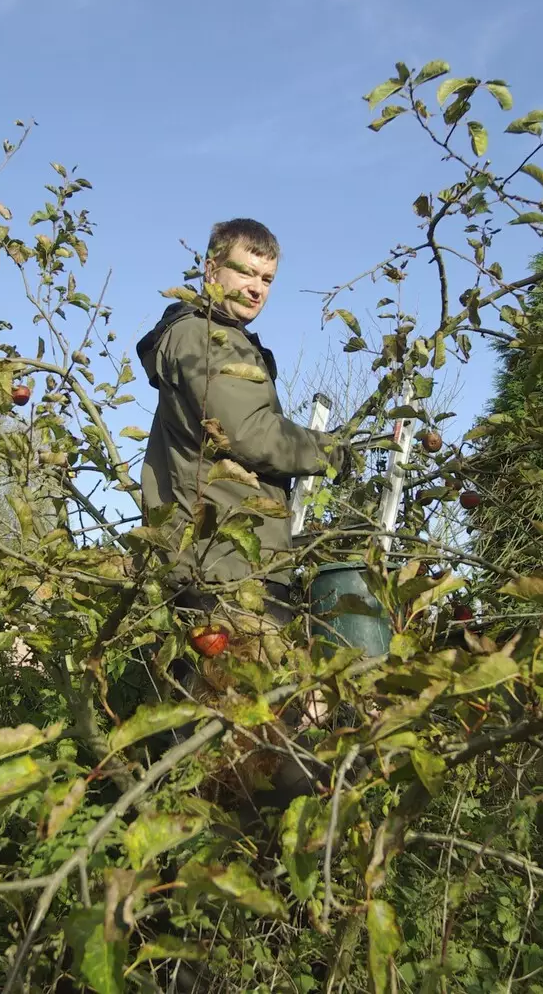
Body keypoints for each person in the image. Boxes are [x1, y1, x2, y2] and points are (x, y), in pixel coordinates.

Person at [133, 217, 344, 819]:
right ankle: (209, 878)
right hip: (223, 571)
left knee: (245, 730)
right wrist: (328, 453)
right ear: (210, 271)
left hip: (236, 566)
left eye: (267, 279)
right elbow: (249, 434)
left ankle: (224, 873)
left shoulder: (222, 340)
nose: (256, 287)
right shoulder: (204, 338)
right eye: (244, 272)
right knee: (234, 745)